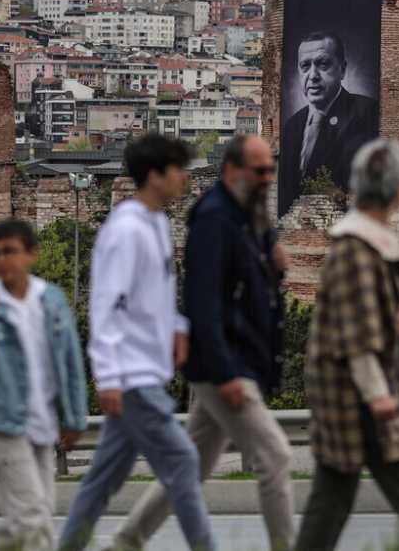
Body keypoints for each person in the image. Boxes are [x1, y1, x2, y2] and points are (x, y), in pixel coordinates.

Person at [110, 134, 294, 551]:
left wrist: (276, 267)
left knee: (188, 469)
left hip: (233, 360)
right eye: (259, 170)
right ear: (232, 171)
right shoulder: (214, 219)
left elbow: (251, 288)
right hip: (225, 364)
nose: (268, 177)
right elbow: (202, 302)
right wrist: (226, 373)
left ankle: (125, 542)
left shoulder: (248, 215)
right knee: (276, 457)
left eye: (270, 169)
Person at [294, 139, 399, 551]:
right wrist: (378, 394)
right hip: (355, 392)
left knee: (341, 487)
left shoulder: (367, 245)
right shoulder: (357, 250)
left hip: (353, 391)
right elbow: (355, 333)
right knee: (394, 477)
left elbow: (368, 314)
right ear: (397, 189)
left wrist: (397, 322)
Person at [58, 134, 215, 551]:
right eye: (177, 169)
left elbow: (152, 295)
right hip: (132, 374)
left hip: (146, 369)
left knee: (102, 480)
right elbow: (107, 303)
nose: (184, 177)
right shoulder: (126, 230)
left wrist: (176, 326)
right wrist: (108, 375)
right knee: (182, 460)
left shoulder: (156, 223)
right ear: (154, 176)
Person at [0, 219, 89, 551]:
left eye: (10, 251)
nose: (2, 259)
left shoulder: (52, 300)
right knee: (32, 518)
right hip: (2, 424)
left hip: (42, 421)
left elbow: (71, 363)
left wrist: (74, 416)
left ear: (31, 255)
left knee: (34, 516)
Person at [278, 30, 379, 217]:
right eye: (305, 66)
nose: (313, 75)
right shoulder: (291, 126)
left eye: (323, 64)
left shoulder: (368, 113)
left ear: (342, 69)